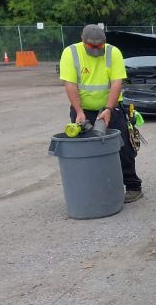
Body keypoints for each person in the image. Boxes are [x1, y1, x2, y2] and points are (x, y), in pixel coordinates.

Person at [59, 24, 143, 203]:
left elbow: (116, 83)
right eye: (92, 46)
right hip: (83, 110)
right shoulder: (71, 53)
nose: (97, 50)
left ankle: (133, 186)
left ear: (104, 41)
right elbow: (70, 85)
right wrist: (79, 112)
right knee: (84, 150)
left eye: (100, 46)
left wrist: (109, 109)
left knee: (123, 147)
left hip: (111, 107)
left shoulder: (113, 53)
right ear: (83, 41)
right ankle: (93, 188)